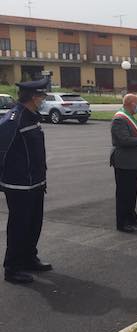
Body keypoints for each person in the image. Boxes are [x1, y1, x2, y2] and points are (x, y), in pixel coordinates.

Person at [0, 77, 53, 284]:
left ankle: (29, 258)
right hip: (19, 185)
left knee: (33, 224)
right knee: (19, 226)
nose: (43, 99)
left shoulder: (32, 116)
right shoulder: (14, 119)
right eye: (42, 96)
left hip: (36, 183)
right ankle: (12, 268)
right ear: (33, 97)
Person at [110, 94, 137, 233]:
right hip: (124, 162)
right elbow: (123, 140)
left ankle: (131, 216)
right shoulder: (119, 119)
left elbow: (133, 138)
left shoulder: (129, 117)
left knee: (131, 192)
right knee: (124, 193)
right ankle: (122, 222)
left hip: (133, 161)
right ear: (130, 103)